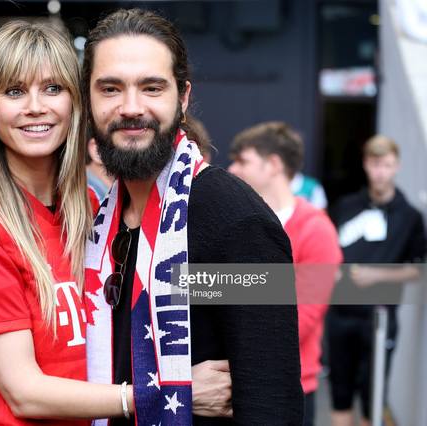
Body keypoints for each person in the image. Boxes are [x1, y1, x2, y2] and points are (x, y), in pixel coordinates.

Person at [0, 21, 227, 425]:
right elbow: (24, 394)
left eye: (53, 88)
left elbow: (161, 282)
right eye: (14, 91)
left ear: (76, 102)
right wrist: (170, 393)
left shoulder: (94, 208)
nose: (35, 106)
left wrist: (264, 287)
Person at [82, 9, 303, 426]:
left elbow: (272, 401)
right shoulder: (98, 222)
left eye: (152, 87)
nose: (131, 108)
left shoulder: (238, 219)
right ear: (88, 101)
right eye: (110, 89)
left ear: (182, 99)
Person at [228, 121, 343, 426]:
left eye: (243, 161)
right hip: (229, 389)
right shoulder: (237, 222)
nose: (232, 169)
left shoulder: (316, 230)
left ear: (274, 164)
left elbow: (300, 319)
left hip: (287, 390)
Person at [327, 135, 425, 426]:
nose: (380, 172)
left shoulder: (409, 216)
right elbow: (327, 249)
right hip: (340, 313)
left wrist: (377, 275)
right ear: (365, 164)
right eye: (374, 164)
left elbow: (419, 269)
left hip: (379, 316)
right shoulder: (346, 206)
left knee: (373, 396)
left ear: (397, 166)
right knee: (340, 393)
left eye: (387, 165)